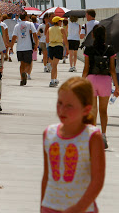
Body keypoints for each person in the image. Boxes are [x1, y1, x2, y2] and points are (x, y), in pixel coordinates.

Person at [41, 77, 105, 213]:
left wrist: (78, 208)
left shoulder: (92, 137)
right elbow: (47, 176)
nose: (62, 109)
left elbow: (97, 180)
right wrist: (42, 206)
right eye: (59, 103)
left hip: (82, 209)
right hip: (50, 206)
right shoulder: (49, 133)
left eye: (69, 105)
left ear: (86, 109)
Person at [82, 25, 119, 149]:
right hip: (105, 81)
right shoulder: (110, 49)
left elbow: (86, 69)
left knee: (93, 111)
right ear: (105, 35)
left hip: (91, 80)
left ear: (93, 35)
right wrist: (117, 87)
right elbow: (113, 70)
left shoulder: (88, 49)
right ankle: (103, 135)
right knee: (104, 111)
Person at [10, 12, 38, 86]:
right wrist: (36, 44)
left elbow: (14, 37)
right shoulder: (30, 24)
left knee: (21, 63)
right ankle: (25, 72)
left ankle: (22, 78)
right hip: (28, 47)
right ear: (26, 17)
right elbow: (35, 35)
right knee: (28, 63)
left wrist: (11, 47)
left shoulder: (17, 25)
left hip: (19, 47)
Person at [45, 17, 69, 87]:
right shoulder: (61, 29)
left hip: (51, 46)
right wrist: (67, 48)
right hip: (58, 46)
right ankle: (52, 80)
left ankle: (55, 79)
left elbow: (47, 40)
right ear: (57, 22)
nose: (61, 22)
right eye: (60, 21)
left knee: (53, 65)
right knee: (55, 65)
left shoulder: (49, 29)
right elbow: (65, 39)